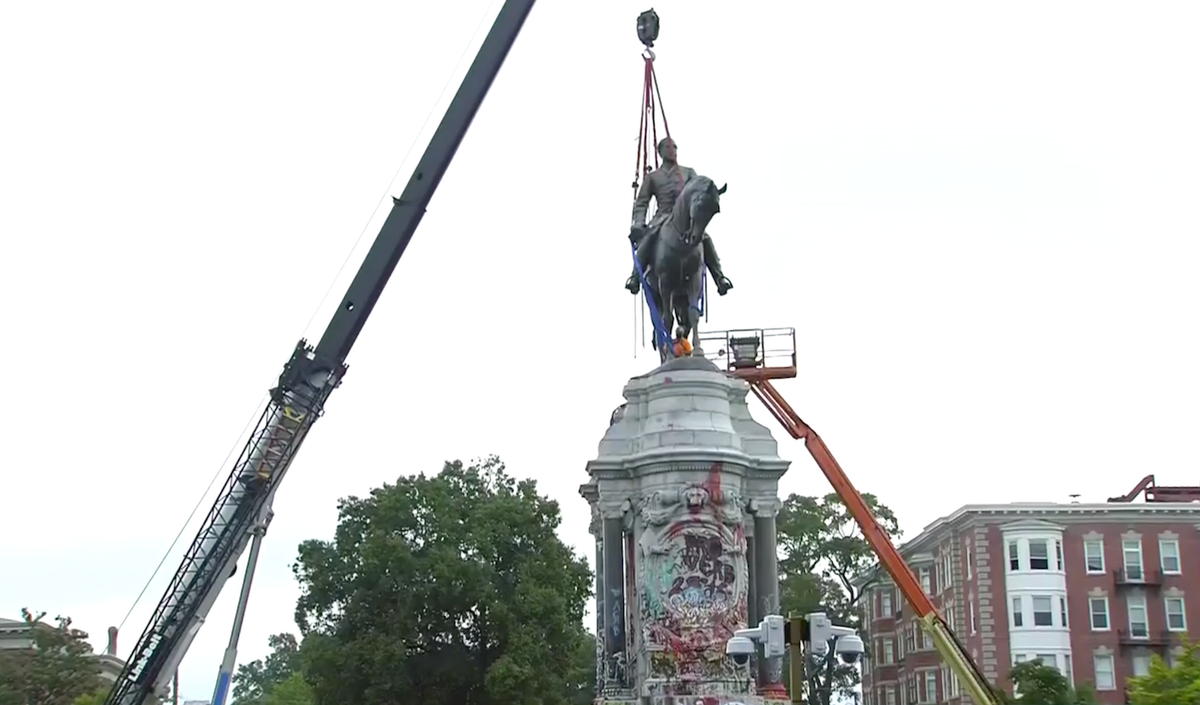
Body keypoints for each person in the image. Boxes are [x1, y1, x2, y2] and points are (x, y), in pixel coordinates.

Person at [625, 137, 734, 296]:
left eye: (675, 147)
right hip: (662, 217)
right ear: (660, 152)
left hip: (685, 218)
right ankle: (635, 276)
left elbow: (699, 192)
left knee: (705, 238)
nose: (672, 150)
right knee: (649, 238)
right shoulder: (653, 177)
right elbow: (642, 203)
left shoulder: (688, 172)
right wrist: (638, 223)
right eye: (668, 147)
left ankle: (719, 277)